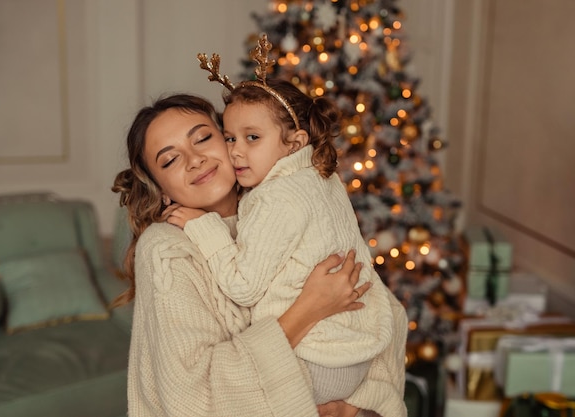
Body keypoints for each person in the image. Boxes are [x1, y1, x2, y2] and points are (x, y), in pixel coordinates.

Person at [112, 93, 408, 417]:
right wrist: (309, 309)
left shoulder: (276, 204)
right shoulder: (166, 249)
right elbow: (192, 398)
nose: (194, 159)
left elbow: (381, 309)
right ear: (162, 189)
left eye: (203, 138)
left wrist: (357, 406)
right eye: (169, 160)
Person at [165, 35, 403, 407]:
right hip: (354, 353)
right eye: (229, 138)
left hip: (316, 359)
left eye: (252, 137)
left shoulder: (275, 197)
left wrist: (202, 225)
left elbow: (243, 286)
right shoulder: (322, 177)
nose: (235, 151)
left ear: (294, 142)